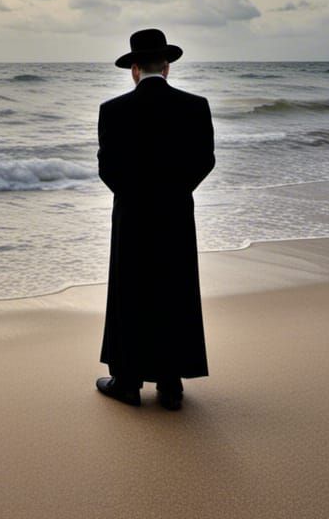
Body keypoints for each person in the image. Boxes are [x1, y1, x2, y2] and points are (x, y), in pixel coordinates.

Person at [95, 28, 215, 411]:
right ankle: (171, 383)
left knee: (130, 289)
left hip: (131, 212)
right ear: (166, 67)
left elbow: (107, 167)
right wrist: (177, 191)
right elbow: (205, 160)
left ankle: (128, 382)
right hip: (176, 210)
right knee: (174, 288)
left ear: (134, 68)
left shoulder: (112, 110)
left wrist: (132, 194)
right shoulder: (196, 105)